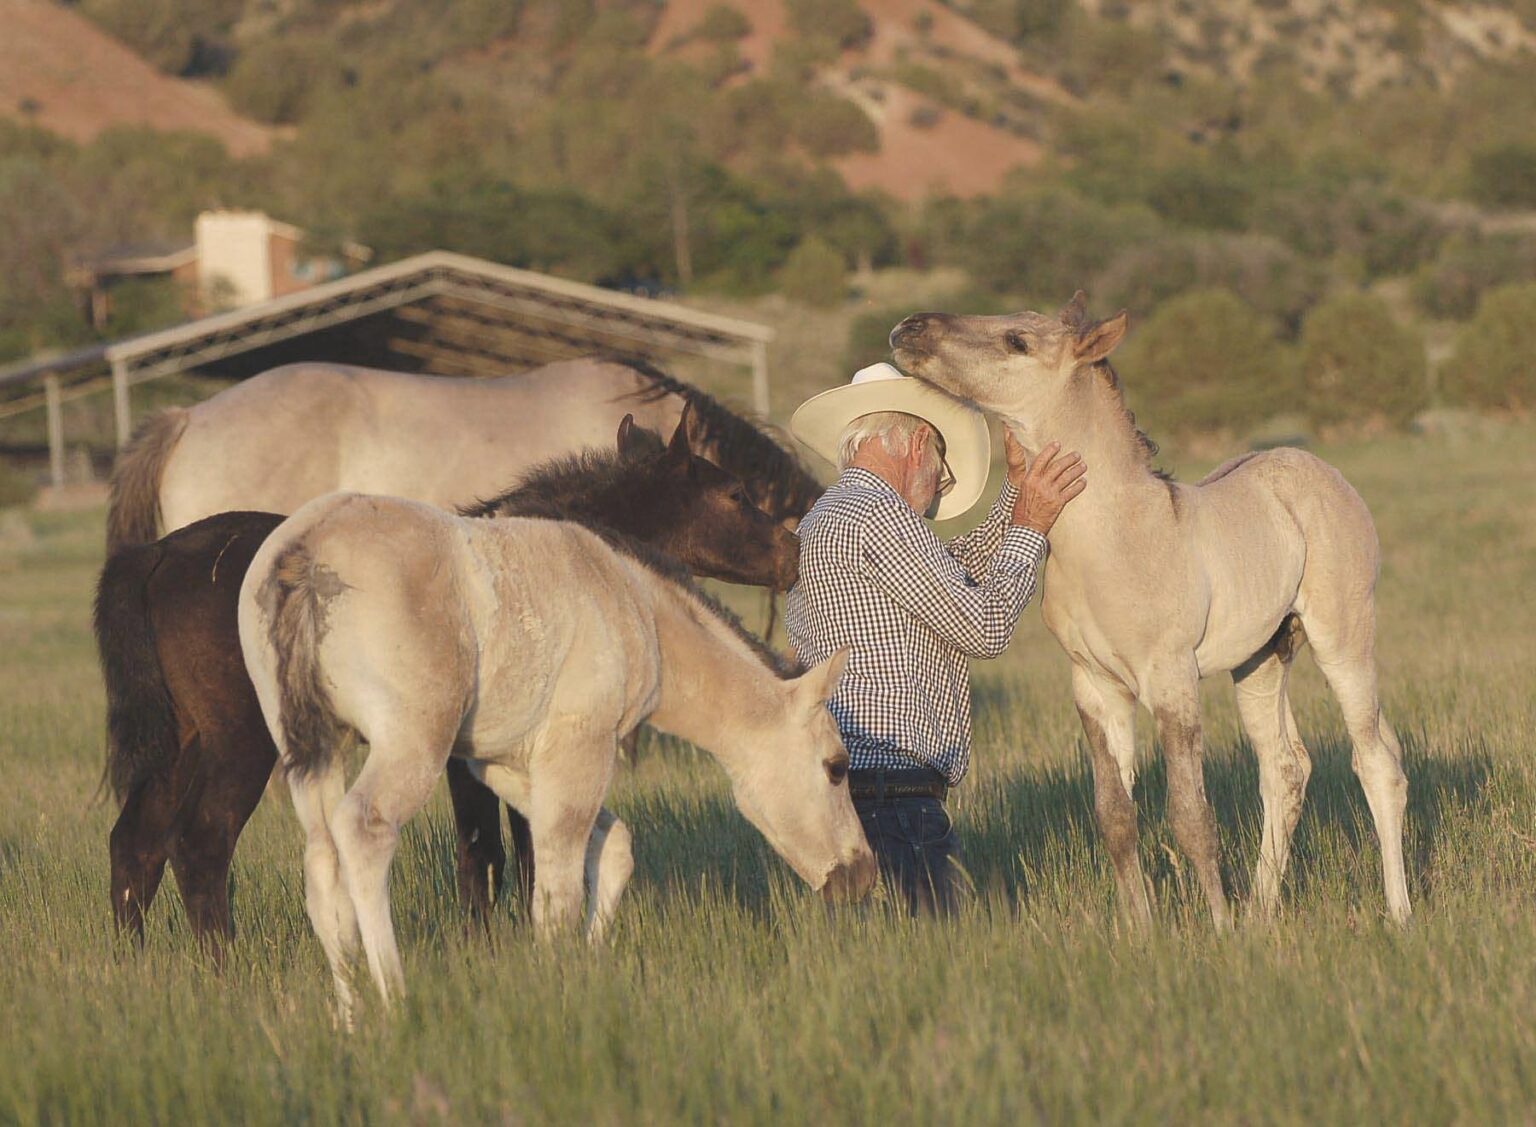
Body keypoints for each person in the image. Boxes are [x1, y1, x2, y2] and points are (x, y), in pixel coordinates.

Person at [785, 362, 1086, 915]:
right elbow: (985, 626)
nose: (934, 496)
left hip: (852, 794)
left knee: (879, 973)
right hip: (890, 797)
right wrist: (1032, 526)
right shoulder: (879, 511)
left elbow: (945, 574)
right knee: (935, 959)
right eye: (942, 477)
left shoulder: (832, 514)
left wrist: (1014, 496)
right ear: (919, 443)